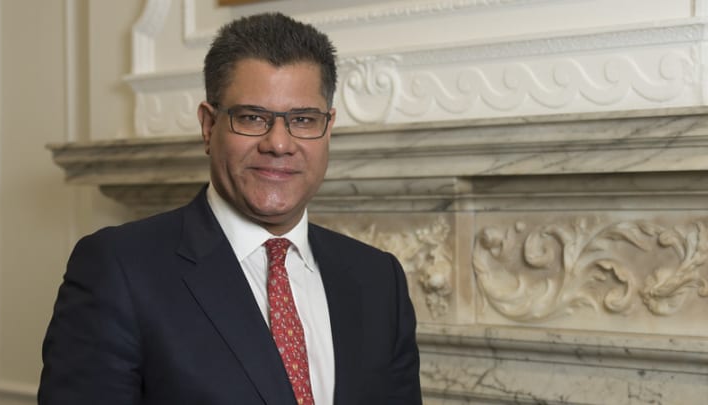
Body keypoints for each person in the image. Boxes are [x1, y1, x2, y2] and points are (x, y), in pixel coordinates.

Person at [38, 11, 422, 405]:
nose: (278, 144)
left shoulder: (379, 280)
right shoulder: (118, 269)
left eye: (304, 119)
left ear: (328, 128)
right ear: (208, 126)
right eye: (252, 118)